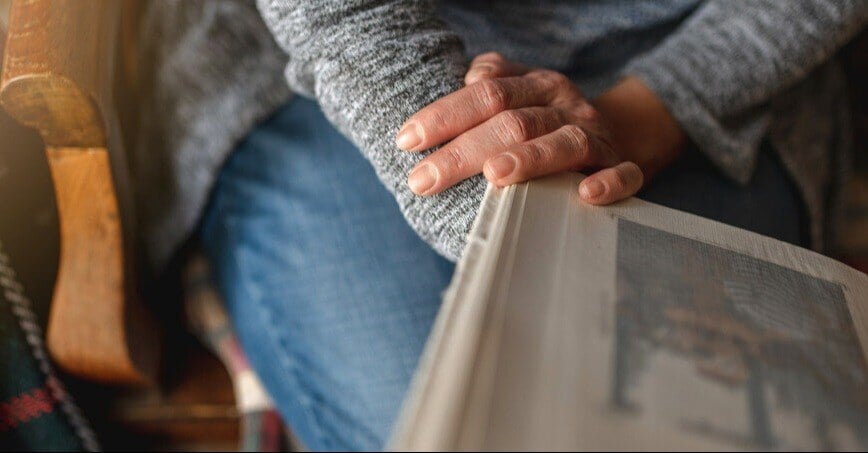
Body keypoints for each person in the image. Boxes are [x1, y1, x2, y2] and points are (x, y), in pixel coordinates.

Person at [135, 1, 868, 450]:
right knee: (439, 429)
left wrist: (654, 111)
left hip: (717, 76)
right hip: (330, 74)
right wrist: (505, 211)